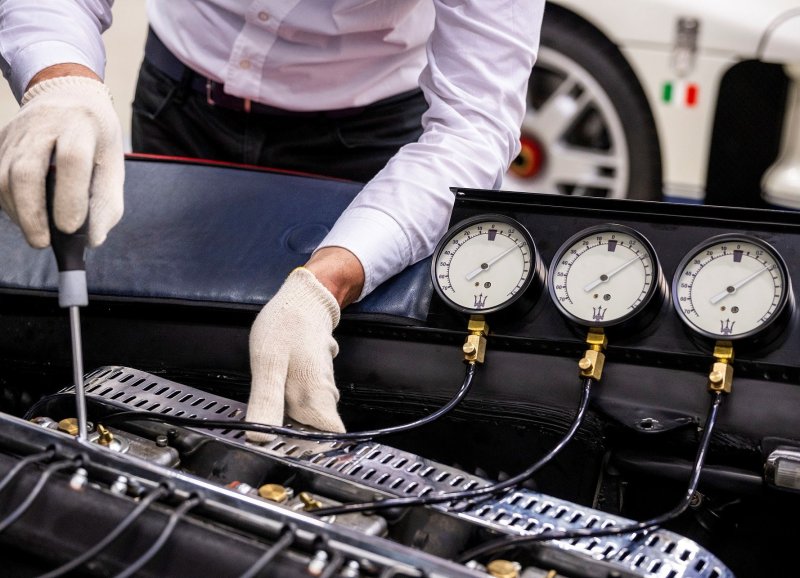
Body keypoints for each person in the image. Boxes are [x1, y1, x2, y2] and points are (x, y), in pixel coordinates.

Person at [0, 1, 544, 440]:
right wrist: (60, 81)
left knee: (316, 384)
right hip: (181, 95)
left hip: (368, 145)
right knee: (156, 343)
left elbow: (473, 125)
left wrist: (327, 283)